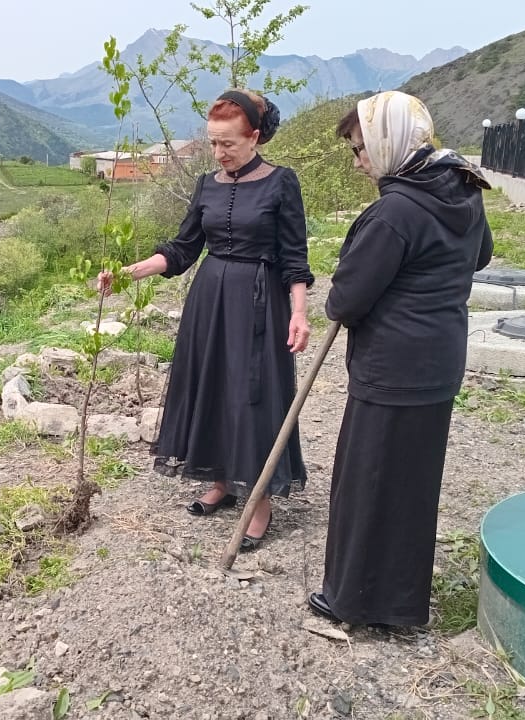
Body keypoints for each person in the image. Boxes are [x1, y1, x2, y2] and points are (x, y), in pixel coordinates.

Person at [308, 91, 493, 627]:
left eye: (361, 148)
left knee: (368, 481)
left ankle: (353, 601)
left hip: (391, 368)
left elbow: (344, 301)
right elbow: (479, 254)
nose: (359, 160)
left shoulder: (395, 212)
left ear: (389, 142)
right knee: (411, 484)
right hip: (438, 361)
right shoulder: (460, 187)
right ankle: (400, 603)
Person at [99, 89, 313, 550]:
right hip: (209, 300)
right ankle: (222, 479)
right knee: (212, 387)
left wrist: (299, 313)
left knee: (252, 394)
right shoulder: (206, 185)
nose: (219, 153)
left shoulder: (282, 183)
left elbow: (295, 259)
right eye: (213, 143)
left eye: (228, 144)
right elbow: (181, 250)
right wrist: (125, 274)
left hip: (260, 301)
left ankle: (258, 498)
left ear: (254, 137)